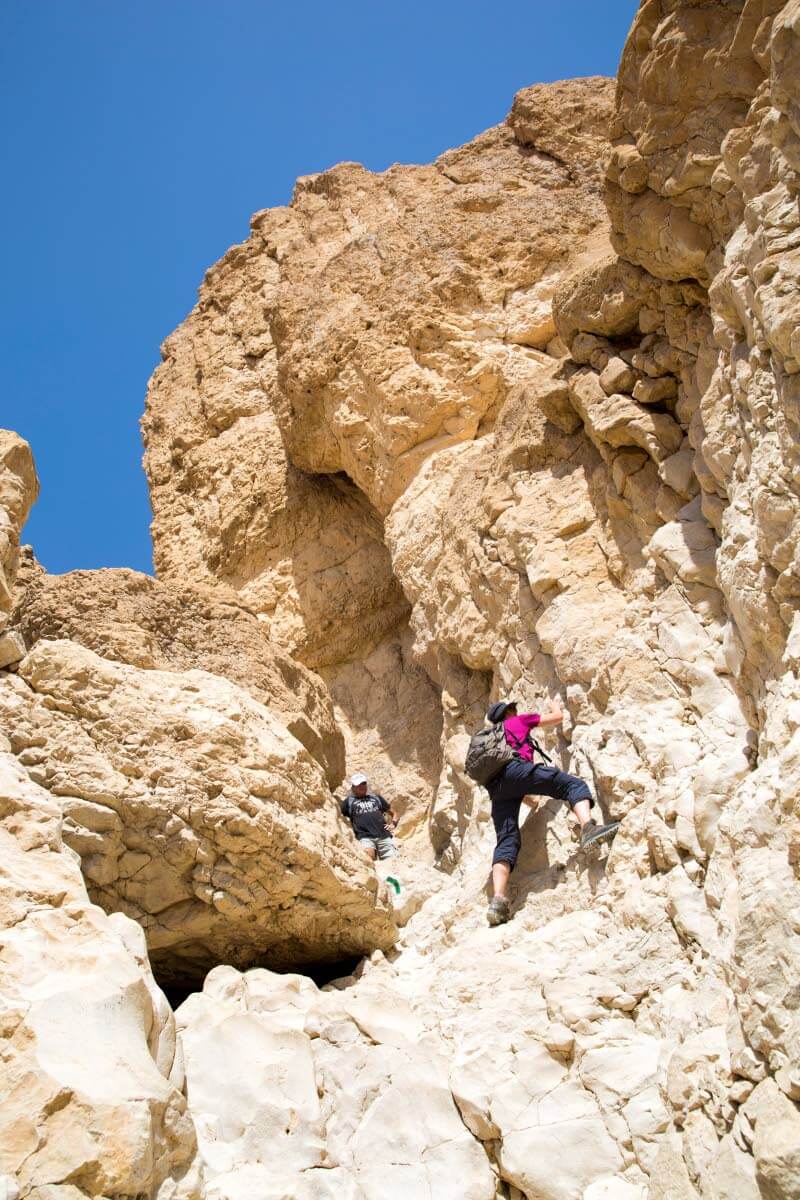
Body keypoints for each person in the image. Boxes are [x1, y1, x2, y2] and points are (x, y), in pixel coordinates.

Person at [485, 698, 619, 927]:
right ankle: (588, 828)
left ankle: (497, 900)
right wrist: (556, 707)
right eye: (513, 709)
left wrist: (529, 801)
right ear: (508, 713)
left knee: (506, 840)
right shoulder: (518, 721)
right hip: (519, 771)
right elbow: (556, 719)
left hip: (497, 788)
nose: (517, 711)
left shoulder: (489, 741)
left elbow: (504, 781)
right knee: (572, 785)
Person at [340, 772, 399, 861]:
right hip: (365, 837)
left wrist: (393, 824)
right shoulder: (348, 802)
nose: (362, 786)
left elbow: (395, 813)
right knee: (368, 861)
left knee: (394, 863)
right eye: (358, 784)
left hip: (384, 836)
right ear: (353, 787)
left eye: (363, 783)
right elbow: (339, 817)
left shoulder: (376, 798)